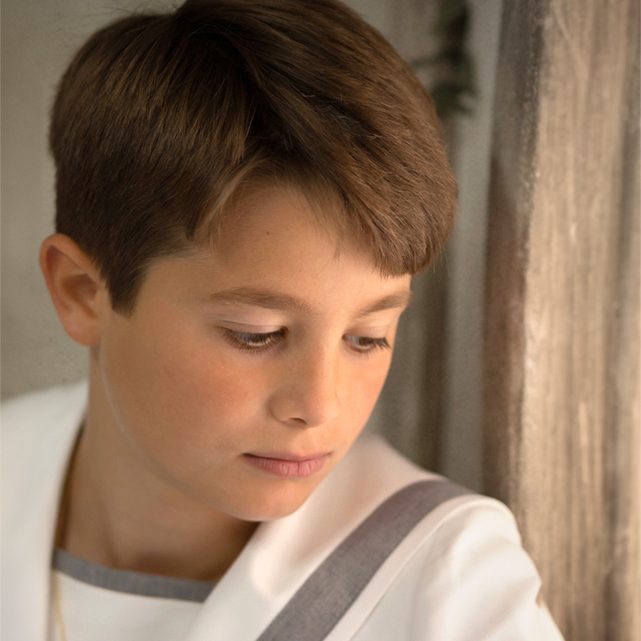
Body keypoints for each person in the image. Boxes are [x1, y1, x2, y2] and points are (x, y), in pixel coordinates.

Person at [1, 1, 565, 639]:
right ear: (82, 293)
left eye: (367, 338)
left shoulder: (446, 584)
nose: (319, 406)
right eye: (257, 334)